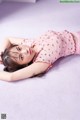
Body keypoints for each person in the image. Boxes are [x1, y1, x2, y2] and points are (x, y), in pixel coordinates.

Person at [0, 30, 80, 82]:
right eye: (21, 57)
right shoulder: (41, 60)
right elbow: (10, 77)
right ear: (24, 65)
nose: (25, 51)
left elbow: (8, 39)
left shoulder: (29, 43)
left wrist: (2, 54)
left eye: (19, 48)